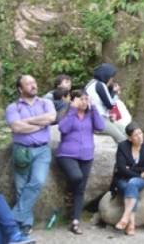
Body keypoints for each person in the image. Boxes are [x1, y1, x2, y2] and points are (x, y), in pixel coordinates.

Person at [5, 74, 56, 235]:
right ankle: (25, 223)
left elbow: (51, 117)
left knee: (37, 181)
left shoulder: (46, 102)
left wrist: (27, 121)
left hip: (42, 149)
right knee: (21, 186)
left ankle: (12, 218)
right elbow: (17, 128)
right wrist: (40, 125)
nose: (33, 85)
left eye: (34, 82)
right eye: (28, 84)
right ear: (20, 89)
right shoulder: (13, 107)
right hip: (22, 150)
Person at [56, 89, 105, 234]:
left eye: (86, 99)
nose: (84, 102)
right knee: (77, 178)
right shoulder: (67, 112)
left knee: (81, 189)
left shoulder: (90, 114)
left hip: (87, 155)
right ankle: (71, 194)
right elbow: (63, 128)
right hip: (67, 154)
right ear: (74, 100)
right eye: (81, 99)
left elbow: (101, 127)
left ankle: (75, 221)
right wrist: (72, 109)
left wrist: (94, 107)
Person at [112, 122, 144, 236]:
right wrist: (138, 173)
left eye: (140, 133)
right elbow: (120, 168)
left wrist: (129, 168)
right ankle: (131, 224)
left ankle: (125, 217)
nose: (140, 136)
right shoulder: (122, 146)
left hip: (139, 181)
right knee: (130, 186)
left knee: (133, 183)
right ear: (130, 138)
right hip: (122, 179)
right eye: (136, 135)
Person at [86, 63, 127, 142]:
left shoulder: (91, 83)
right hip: (99, 120)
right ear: (106, 75)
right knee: (122, 139)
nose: (112, 80)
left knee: (125, 130)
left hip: (95, 118)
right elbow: (110, 105)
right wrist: (115, 93)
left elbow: (104, 101)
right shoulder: (100, 85)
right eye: (111, 77)